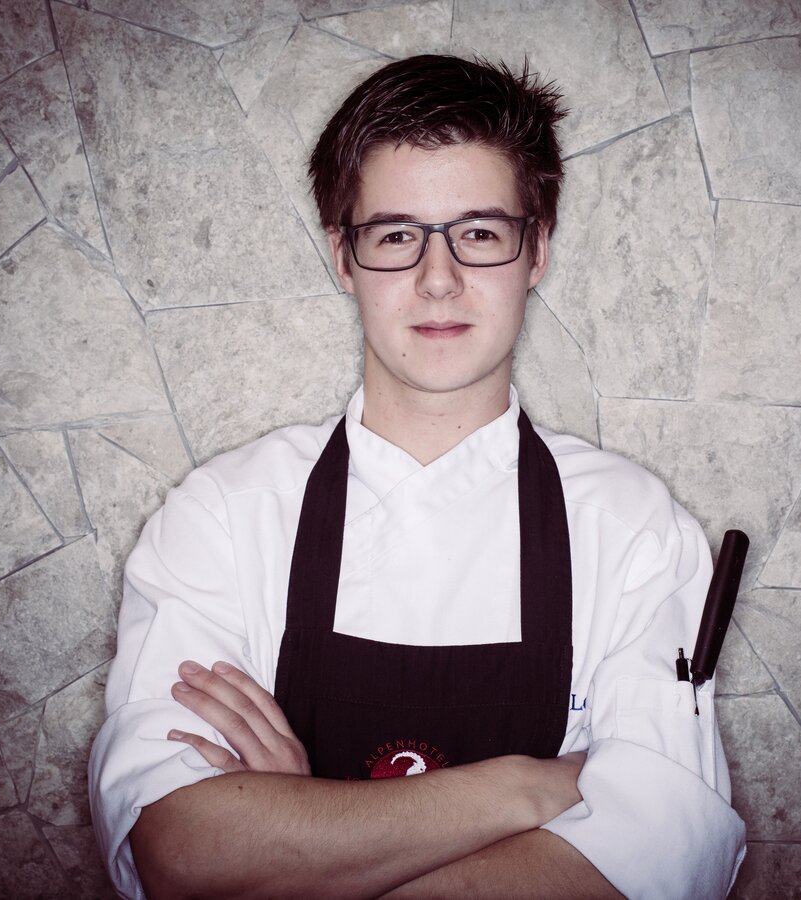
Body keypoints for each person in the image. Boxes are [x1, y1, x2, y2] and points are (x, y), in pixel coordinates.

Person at [89, 54, 746, 899]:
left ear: (537, 250)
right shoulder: (223, 517)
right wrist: (528, 788)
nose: (439, 280)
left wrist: (309, 837)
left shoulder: (632, 529)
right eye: (397, 236)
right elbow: (182, 852)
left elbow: (658, 858)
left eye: (480, 233)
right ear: (344, 257)